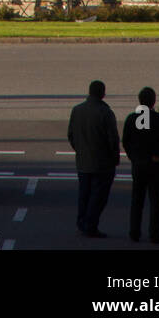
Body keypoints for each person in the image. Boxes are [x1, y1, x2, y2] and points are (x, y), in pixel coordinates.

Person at [67, 80, 120, 238]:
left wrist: (80, 150)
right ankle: (90, 225)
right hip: (102, 164)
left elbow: (71, 135)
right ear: (102, 93)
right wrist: (114, 158)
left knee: (84, 194)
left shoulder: (77, 110)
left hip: (83, 162)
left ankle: (82, 222)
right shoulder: (105, 112)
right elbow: (113, 139)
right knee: (98, 197)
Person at [122, 87, 159, 243]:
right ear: (153, 102)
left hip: (138, 164)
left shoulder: (131, 119)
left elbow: (126, 141)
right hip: (155, 165)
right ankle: (154, 233)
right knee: (156, 201)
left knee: (137, 200)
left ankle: (134, 232)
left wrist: (133, 157)